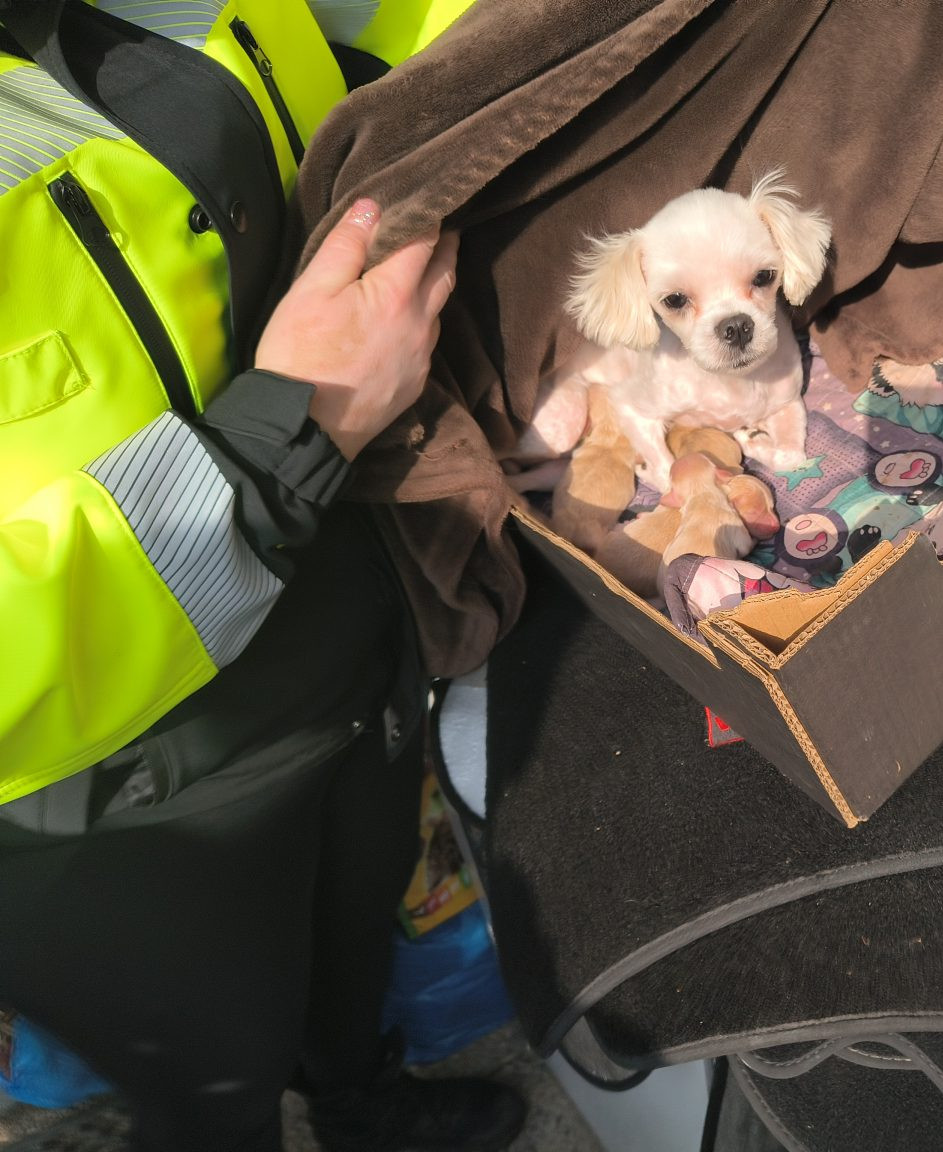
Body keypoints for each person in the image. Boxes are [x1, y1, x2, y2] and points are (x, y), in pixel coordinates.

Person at [0, 3, 525, 1149]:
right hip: (126, 786)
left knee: (358, 927)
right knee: (216, 1081)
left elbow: (386, 30)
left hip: (339, 607)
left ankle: (356, 1099)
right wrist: (282, 445)